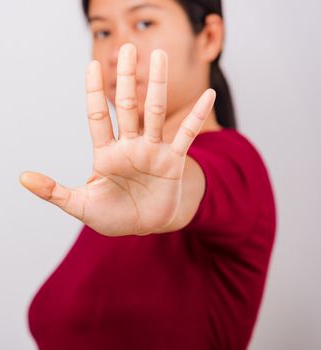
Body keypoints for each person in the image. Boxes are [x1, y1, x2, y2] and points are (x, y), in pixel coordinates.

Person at [19, 0, 277, 349]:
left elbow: (198, 185)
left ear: (209, 38)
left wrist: (175, 190)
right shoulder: (123, 194)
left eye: (143, 24)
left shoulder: (235, 161)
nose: (117, 51)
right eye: (102, 31)